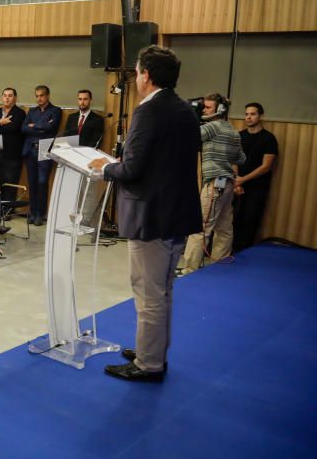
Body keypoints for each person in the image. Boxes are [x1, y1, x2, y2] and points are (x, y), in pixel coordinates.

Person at [89, 45, 202, 382]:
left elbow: (134, 168)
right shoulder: (184, 109)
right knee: (163, 290)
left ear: (146, 76)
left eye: (137, 71)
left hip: (152, 215)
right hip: (177, 212)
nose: (136, 77)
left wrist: (106, 168)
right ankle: (152, 352)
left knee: (149, 293)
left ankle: (149, 364)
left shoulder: (148, 111)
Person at [178, 93, 246, 274]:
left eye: (207, 107)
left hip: (214, 184)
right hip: (228, 183)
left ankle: (189, 270)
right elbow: (241, 158)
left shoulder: (212, 127)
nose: (204, 110)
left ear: (220, 109)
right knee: (224, 227)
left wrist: (189, 115)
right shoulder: (233, 131)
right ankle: (219, 267)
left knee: (200, 227)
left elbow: (188, 137)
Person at [233, 102, 279, 252]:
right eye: (246, 114)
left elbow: (266, 166)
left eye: (252, 114)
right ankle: (230, 252)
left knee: (250, 221)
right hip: (238, 186)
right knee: (234, 220)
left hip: (257, 187)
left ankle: (244, 254)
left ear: (261, 116)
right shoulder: (239, 136)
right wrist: (237, 182)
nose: (248, 117)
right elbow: (233, 160)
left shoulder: (268, 138)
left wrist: (243, 179)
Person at [21, 85, 60, 225]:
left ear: (48, 96)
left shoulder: (55, 111)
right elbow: (23, 128)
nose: (39, 98)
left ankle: (40, 214)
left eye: (41, 95)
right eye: (37, 96)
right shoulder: (32, 111)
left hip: (44, 149)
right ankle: (32, 211)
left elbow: (51, 128)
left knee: (42, 182)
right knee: (32, 183)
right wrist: (40, 126)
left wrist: (34, 126)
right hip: (30, 149)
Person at [0, 87, 26, 203]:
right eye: (5, 95)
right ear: (2, 97)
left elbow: (13, 128)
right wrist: (0, 122)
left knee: (10, 182)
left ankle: (8, 209)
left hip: (11, 155)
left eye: (10, 95)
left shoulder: (20, 113)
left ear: (15, 98)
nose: (7, 98)